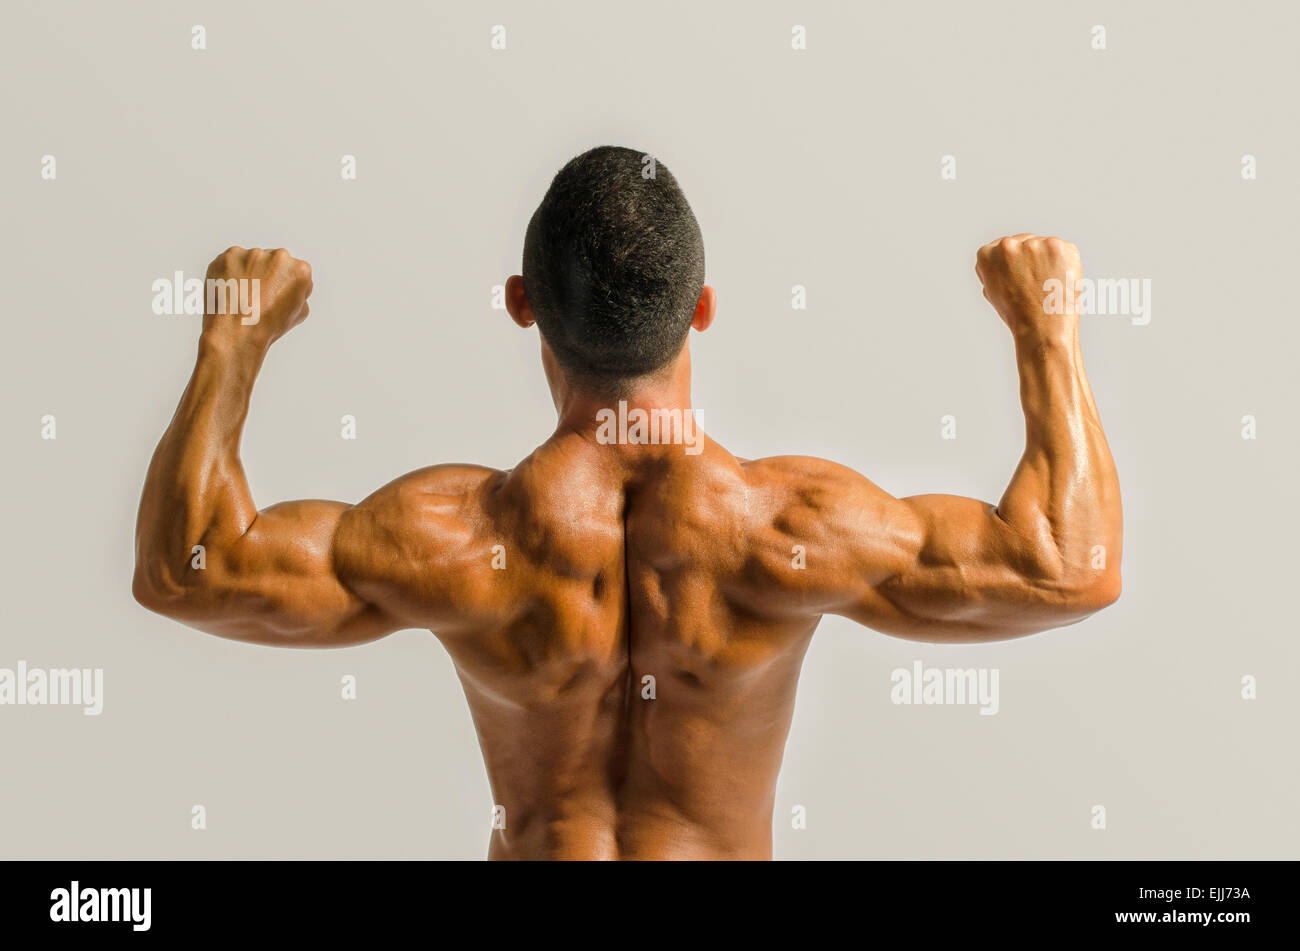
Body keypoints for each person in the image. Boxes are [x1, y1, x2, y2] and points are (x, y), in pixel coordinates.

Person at [133, 145, 1122, 859]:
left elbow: (189, 573)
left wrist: (232, 345)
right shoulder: (787, 529)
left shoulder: (456, 539)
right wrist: (1046, 334)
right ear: (700, 307)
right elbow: (1064, 566)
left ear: (523, 303)